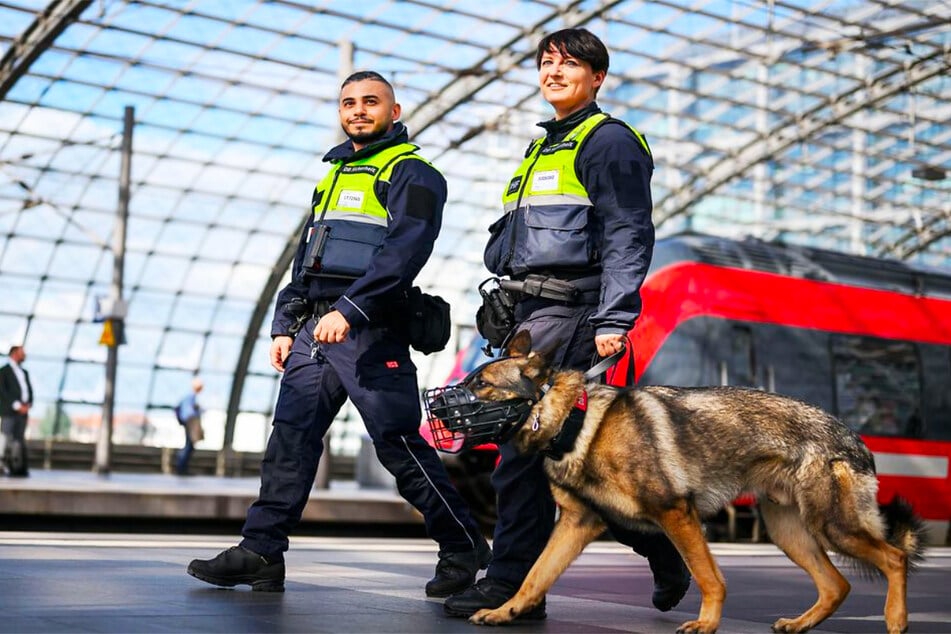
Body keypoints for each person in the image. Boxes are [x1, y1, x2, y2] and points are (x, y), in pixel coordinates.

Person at [187, 70, 489, 595]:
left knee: (398, 445)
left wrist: (350, 310)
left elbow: (404, 253)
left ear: (394, 112)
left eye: (371, 101)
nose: (357, 110)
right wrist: (286, 323)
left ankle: (462, 545)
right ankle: (261, 550)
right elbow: (306, 260)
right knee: (290, 441)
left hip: (371, 329)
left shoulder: (413, 173)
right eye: (348, 102)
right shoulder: (331, 177)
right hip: (316, 330)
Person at [445, 28, 691, 619]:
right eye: (546, 62)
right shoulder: (543, 149)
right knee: (569, 464)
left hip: (575, 315)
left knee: (521, 455)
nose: (554, 72)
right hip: (528, 317)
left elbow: (629, 232)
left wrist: (614, 317)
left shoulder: (608, 142)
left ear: (598, 77)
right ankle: (658, 548)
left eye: (570, 64)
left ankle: (510, 585)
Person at [0, 345, 33, 477]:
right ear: (14, 354)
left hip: (23, 412)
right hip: (9, 411)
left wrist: (28, 404)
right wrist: (16, 405)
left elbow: (28, 390)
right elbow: (2, 392)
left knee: (18, 440)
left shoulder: (24, 372)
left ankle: (17, 466)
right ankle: (1, 464)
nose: (24, 355)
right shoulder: (4, 372)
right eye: (22, 353)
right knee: (5, 436)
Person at [174, 377, 204, 475]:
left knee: (189, 445)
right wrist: (197, 411)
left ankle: (182, 467)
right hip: (190, 422)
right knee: (189, 445)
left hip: (188, 422)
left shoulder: (190, 397)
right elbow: (189, 412)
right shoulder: (191, 397)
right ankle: (181, 468)